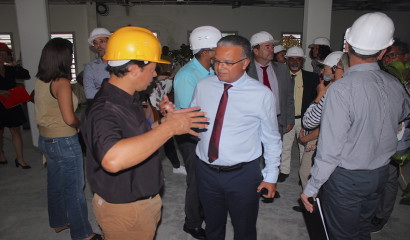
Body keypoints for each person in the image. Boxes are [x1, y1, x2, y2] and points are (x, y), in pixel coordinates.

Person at [80, 26, 208, 240]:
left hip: (139, 204)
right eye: (152, 69)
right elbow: (112, 159)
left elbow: (138, 137)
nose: (156, 74)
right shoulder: (104, 109)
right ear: (133, 69)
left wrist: (166, 122)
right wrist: (169, 128)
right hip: (126, 210)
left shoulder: (128, 98)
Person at [301, 12, 410, 239]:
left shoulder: (341, 90)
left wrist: (311, 187)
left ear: (347, 45)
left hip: (347, 180)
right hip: (379, 174)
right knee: (361, 229)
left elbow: (330, 150)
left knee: (341, 234)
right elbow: (403, 115)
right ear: (382, 52)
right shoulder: (394, 83)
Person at [191, 35, 282, 240]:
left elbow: (271, 138)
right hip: (206, 171)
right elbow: (193, 119)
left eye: (228, 63)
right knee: (213, 227)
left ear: (245, 63)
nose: (220, 67)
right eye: (217, 61)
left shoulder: (261, 94)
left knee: (244, 229)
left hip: (243, 175)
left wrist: (270, 175)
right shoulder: (203, 86)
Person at [34, 38, 102, 240]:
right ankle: (83, 234)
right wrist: (80, 123)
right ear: (62, 59)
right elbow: (69, 118)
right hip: (64, 141)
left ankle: (58, 221)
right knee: (74, 190)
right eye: (70, 56)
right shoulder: (62, 83)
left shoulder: (41, 79)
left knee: (55, 184)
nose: (71, 60)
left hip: (45, 139)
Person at [173, 25, 222, 239]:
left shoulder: (210, 71)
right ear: (205, 51)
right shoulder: (187, 75)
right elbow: (186, 115)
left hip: (207, 132)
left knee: (206, 178)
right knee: (196, 179)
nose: (219, 52)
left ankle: (203, 213)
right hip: (191, 135)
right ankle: (191, 223)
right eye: (216, 49)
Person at [371, 39, 410, 232]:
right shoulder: (384, 77)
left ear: (405, 57)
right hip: (379, 134)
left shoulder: (405, 80)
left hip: (399, 136)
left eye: (392, 55)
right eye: (385, 56)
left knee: (390, 178)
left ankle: (381, 215)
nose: (387, 60)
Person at [247, 31, 294, 182]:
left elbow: (288, 96)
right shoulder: (246, 70)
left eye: (272, 47)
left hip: (276, 120)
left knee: (273, 154)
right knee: (252, 155)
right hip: (252, 122)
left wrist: (289, 119)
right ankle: (253, 183)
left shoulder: (282, 69)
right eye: (267, 47)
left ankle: (270, 182)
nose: (272, 50)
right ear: (256, 50)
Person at [281, 46, 319, 184]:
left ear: (303, 61)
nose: (295, 62)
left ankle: (303, 174)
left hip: (306, 120)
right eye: (291, 59)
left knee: (305, 149)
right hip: (287, 119)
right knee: (285, 146)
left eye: (298, 59)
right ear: (287, 61)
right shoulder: (281, 77)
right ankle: (284, 171)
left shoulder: (312, 78)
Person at [0, 42, 31, 168]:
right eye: (0, 55)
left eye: (5, 55)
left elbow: (26, 75)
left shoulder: (10, 69)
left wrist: (15, 65)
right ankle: (1, 153)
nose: (2, 57)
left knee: (16, 130)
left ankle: (20, 159)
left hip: (11, 103)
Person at [83, 27, 111, 100]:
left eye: (101, 41)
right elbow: (89, 94)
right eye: (95, 43)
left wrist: (100, 89)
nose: (98, 46)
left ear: (110, 41)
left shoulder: (121, 64)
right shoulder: (91, 67)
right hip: (102, 108)